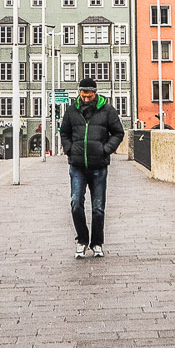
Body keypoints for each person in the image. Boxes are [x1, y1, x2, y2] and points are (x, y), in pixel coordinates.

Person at [58, 76, 124, 259]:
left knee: (98, 208)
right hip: (77, 165)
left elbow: (118, 132)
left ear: (95, 93)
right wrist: (69, 149)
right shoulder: (72, 110)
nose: (86, 99)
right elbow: (64, 132)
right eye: (83, 95)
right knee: (76, 204)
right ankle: (82, 240)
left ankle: (96, 243)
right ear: (79, 93)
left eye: (89, 96)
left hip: (98, 166)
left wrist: (106, 149)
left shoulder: (107, 110)